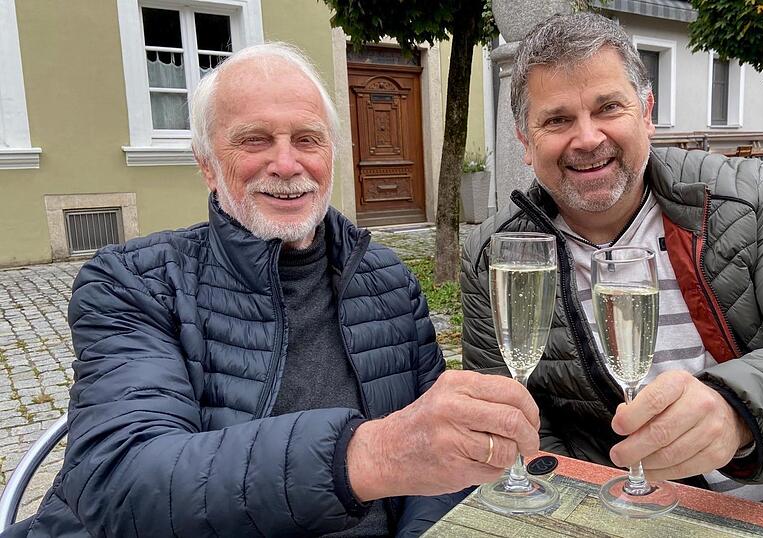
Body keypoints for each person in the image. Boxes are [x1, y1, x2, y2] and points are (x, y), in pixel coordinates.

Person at [4, 43, 541, 538]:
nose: (287, 165)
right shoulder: (135, 282)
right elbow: (123, 482)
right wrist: (368, 456)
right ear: (207, 164)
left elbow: (437, 471)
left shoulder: (388, 281)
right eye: (255, 140)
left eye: (307, 139)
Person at [461, 12, 763, 532]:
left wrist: (739, 410)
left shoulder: (745, 198)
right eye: (556, 120)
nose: (587, 138)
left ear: (646, 112)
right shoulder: (495, 255)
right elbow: (523, 425)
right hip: (621, 515)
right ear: (525, 139)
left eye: (609, 107)